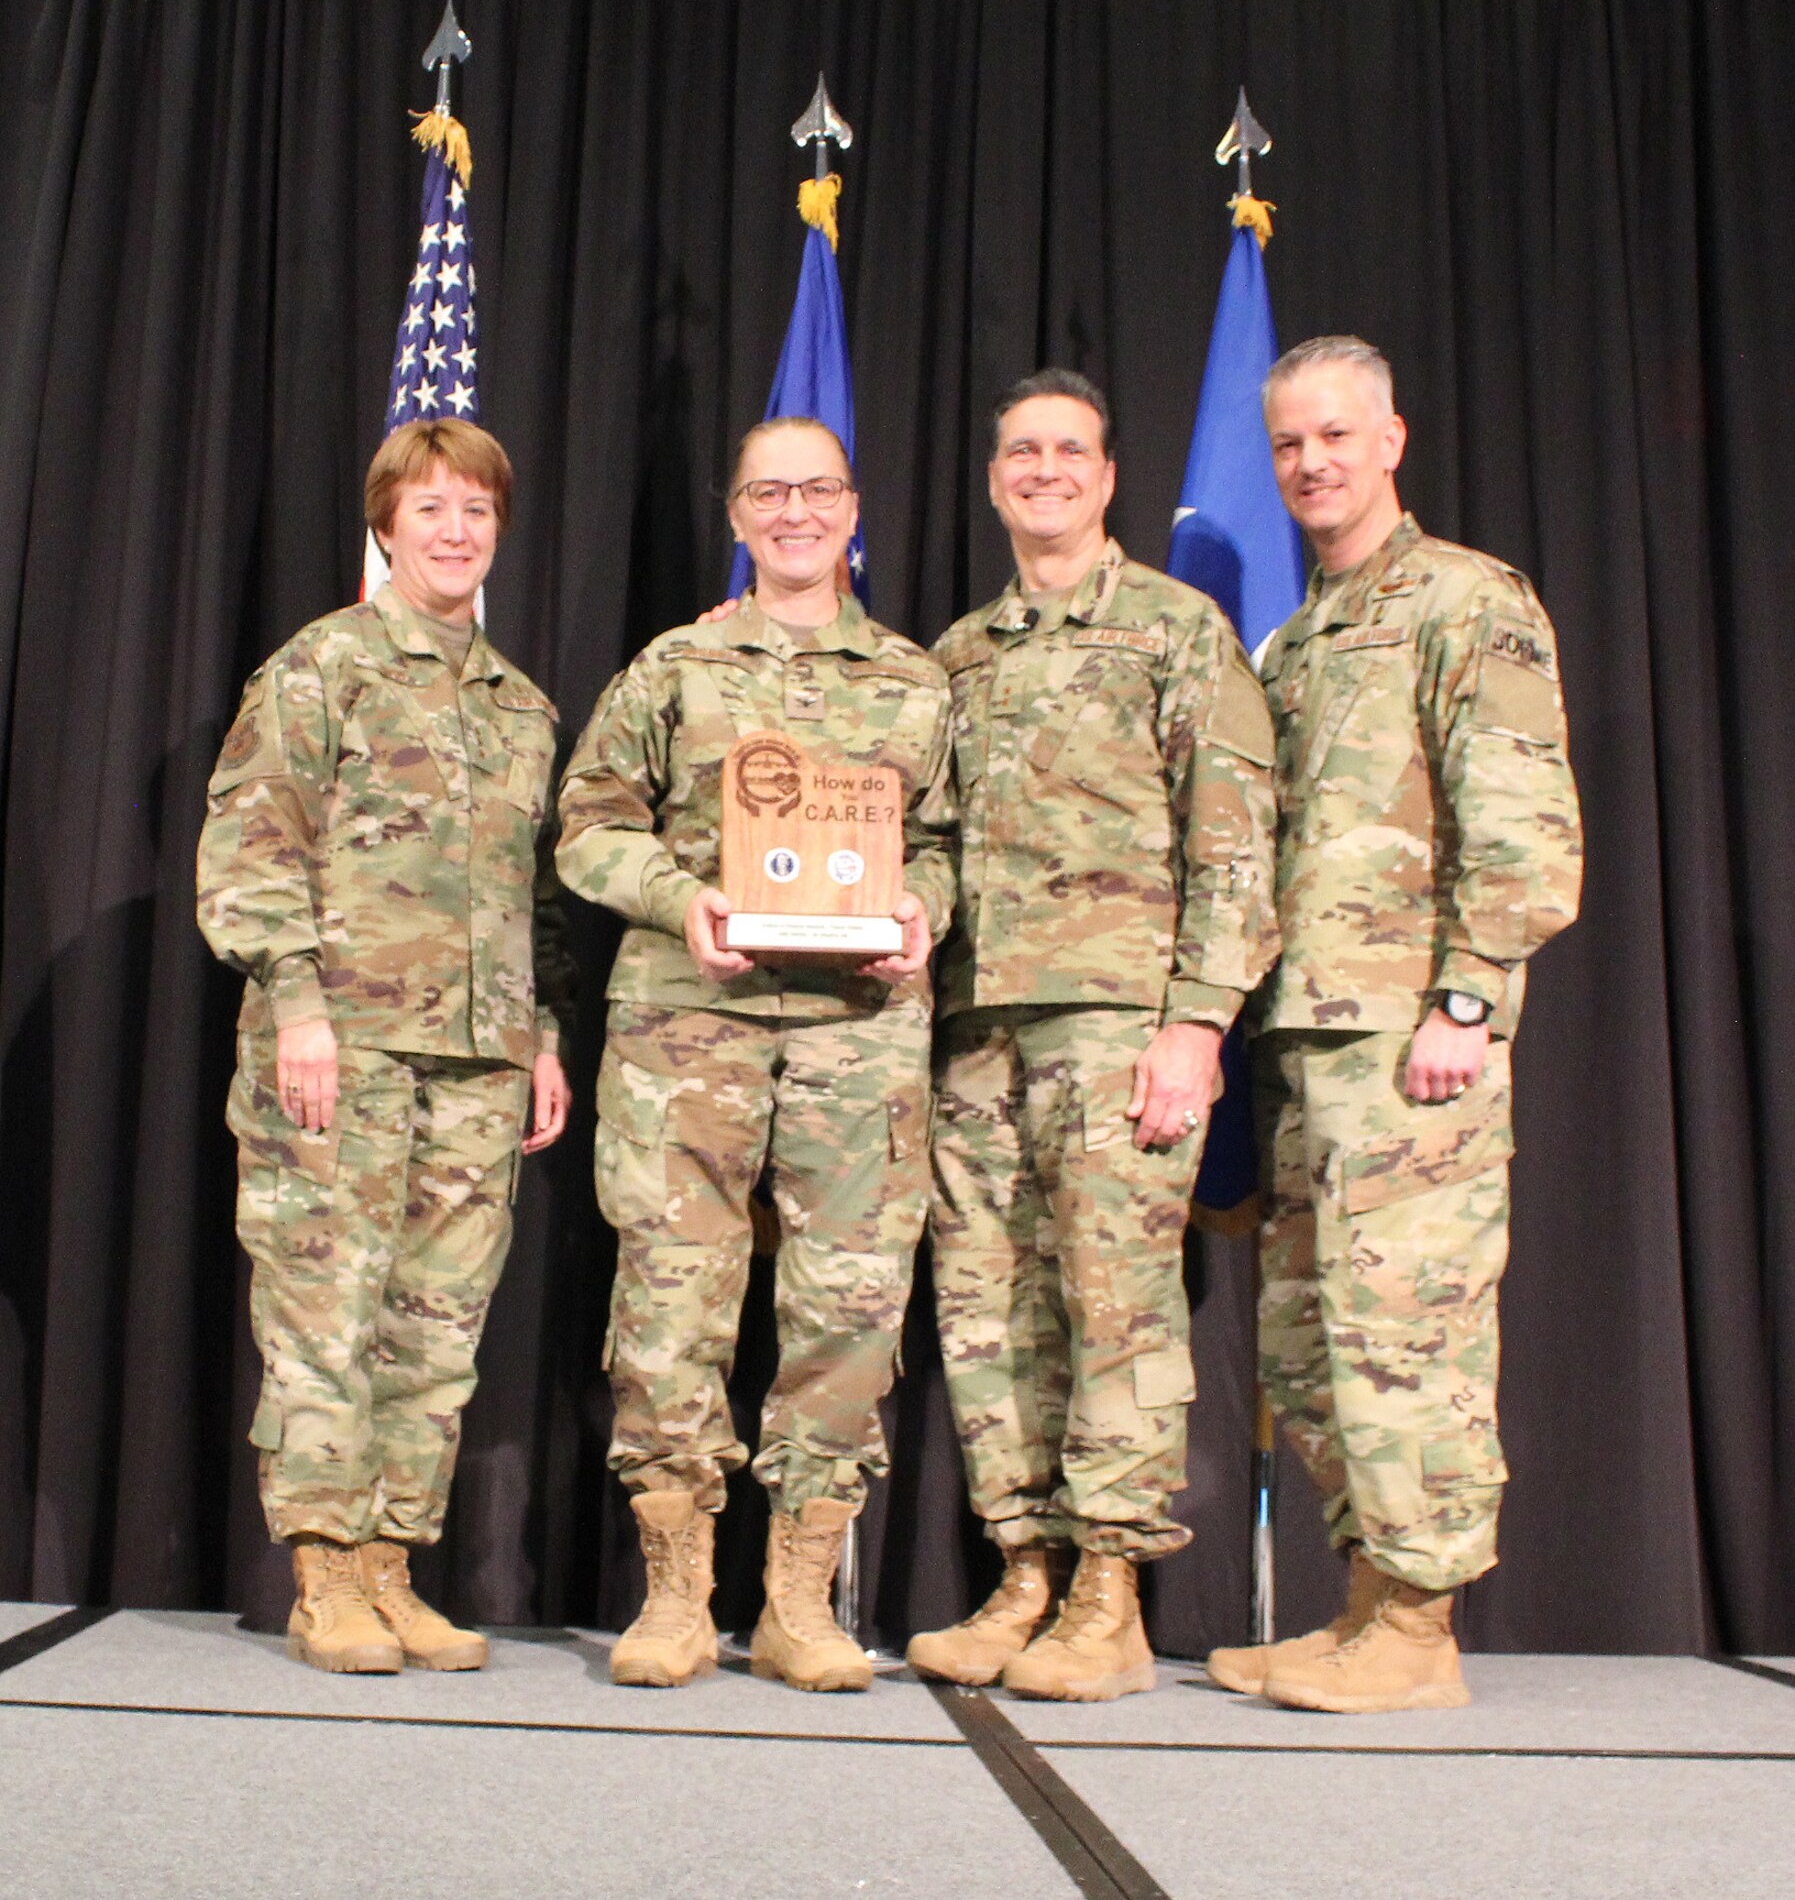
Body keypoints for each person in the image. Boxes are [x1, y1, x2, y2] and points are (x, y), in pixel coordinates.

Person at [1205, 336, 1582, 1713]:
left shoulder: (1462, 601)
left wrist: (1467, 994)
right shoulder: (1299, 641)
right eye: (1289, 444)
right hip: (1308, 1039)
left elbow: (1521, 819)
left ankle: (1418, 1631)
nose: (1309, 463)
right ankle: (1365, 1602)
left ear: (1390, 439)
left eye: (1333, 436)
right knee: (1315, 1340)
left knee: (1406, 1327)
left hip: (1412, 1036)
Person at [556, 417, 954, 1693]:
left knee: (845, 1312)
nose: (795, 510)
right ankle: (676, 1592)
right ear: (736, 516)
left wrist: (922, 911)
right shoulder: (672, 666)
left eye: (818, 489)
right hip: (690, 1025)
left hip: (857, 1036)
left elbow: (948, 841)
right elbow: (586, 827)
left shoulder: (914, 679)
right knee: (673, 1305)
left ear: (853, 509)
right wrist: (684, 900)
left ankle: (796, 1599)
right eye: (768, 491)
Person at [905, 370, 1280, 1701]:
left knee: (1114, 1310)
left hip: (1119, 1024)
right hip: (974, 1033)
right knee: (987, 1307)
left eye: (1069, 450)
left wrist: (1196, 1024)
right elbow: (930, 844)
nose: (1044, 470)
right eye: (1021, 451)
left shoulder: (1176, 632)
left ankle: (1110, 1595)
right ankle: (1024, 1572)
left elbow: (1234, 845)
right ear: (996, 477)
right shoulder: (957, 654)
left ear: (1108, 477)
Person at [197, 419, 573, 1674]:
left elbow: (538, 901)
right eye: (430, 510)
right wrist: (297, 1004)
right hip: (339, 1047)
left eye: (475, 510)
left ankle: (391, 1565)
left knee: (436, 1328)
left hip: (478, 1063)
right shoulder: (325, 667)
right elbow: (252, 849)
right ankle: (321, 1574)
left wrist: (544, 1038)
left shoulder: (524, 708)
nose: (455, 531)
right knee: (325, 1312)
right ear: (387, 525)